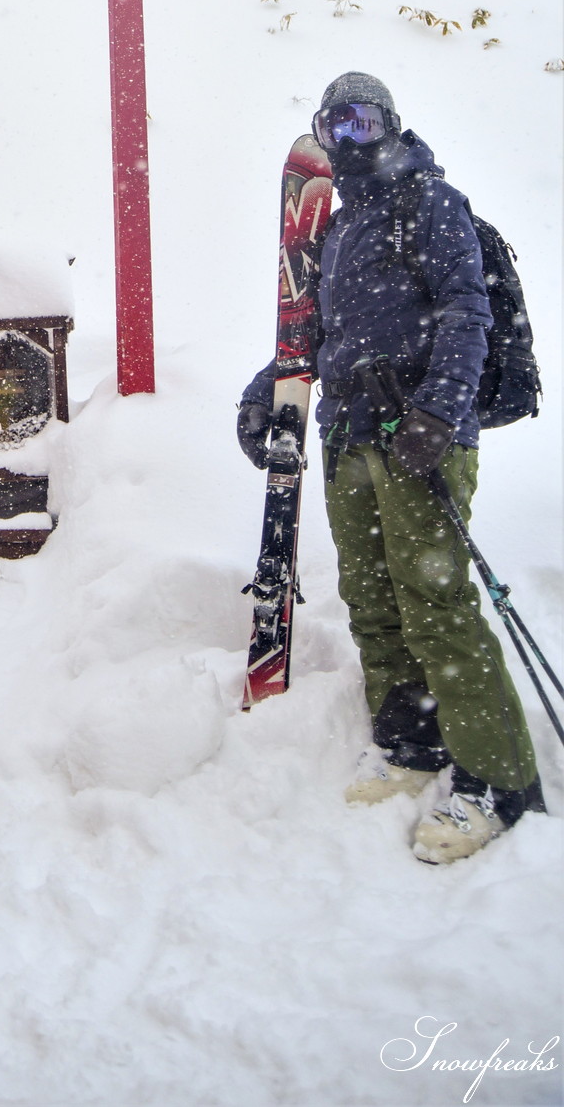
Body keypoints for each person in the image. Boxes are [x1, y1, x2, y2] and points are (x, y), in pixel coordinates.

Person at [237, 74, 544, 865]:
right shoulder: (338, 232)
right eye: (333, 123)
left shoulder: (432, 203)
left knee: (435, 602)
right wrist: (264, 393)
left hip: (419, 438)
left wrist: (440, 413)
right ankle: (411, 743)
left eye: (362, 119)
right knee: (373, 601)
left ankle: (497, 779)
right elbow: (321, 334)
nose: (349, 136)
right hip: (350, 439)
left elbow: (467, 312)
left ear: (391, 126)